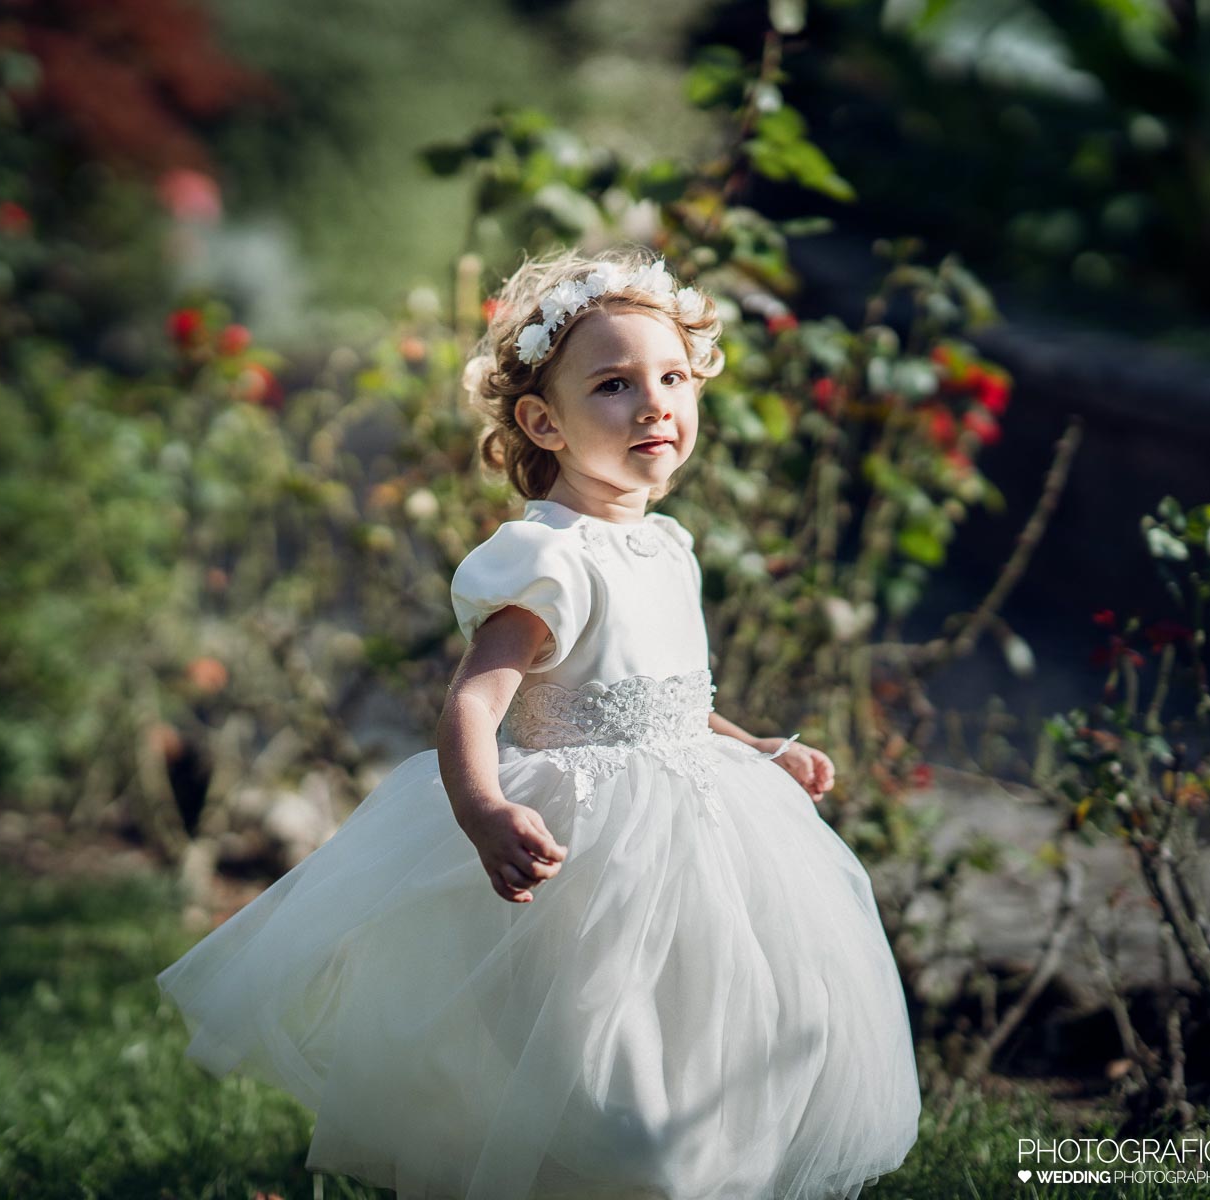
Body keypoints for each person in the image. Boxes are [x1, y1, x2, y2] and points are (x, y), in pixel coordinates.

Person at [155, 244, 922, 1199]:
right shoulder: (547, 558)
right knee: (603, 1081)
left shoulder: (668, 545)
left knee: (701, 1051)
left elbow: (672, 701)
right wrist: (484, 811)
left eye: (672, 377)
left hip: (702, 846)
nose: (654, 404)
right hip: (583, 853)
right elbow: (474, 702)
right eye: (613, 384)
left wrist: (757, 748)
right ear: (541, 421)